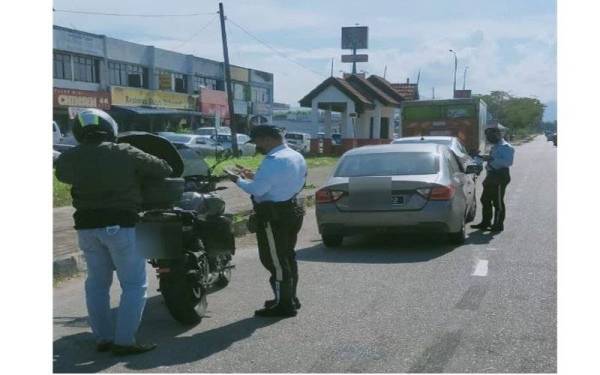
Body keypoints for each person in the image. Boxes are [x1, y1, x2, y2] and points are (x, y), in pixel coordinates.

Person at [55, 109, 173, 356]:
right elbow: (164, 168)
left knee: (97, 284)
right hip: (122, 226)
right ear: (110, 129)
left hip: (86, 228)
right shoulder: (124, 151)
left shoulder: (69, 157)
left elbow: (63, 174)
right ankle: (125, 341)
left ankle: (103, 338)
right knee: (134, 284)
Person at [227, 125, 307, 318]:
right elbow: (281, 182)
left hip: (275, 216)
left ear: (268, 139)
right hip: (291, 210)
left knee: (275, 261)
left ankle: (283, 306)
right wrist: (253, 176)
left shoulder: (273, 160)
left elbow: (258, 190)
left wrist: (237, 180)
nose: (257, 146)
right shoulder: (295, 156)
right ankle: (289, 298)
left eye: (257, 142)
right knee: (287, 257)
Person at [471, 127, 515, 233]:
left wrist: (491, 159)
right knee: (485, 199)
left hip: (500, 176)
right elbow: (492, 158)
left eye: (490, 135)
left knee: (498, 202)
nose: (488, 138)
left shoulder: (506, 147)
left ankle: (498, 225)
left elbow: (508, 162)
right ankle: (486, 223)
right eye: (487, 135)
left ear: (498, 134)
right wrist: (481, 157)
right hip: (491, 175)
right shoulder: (495, 146)